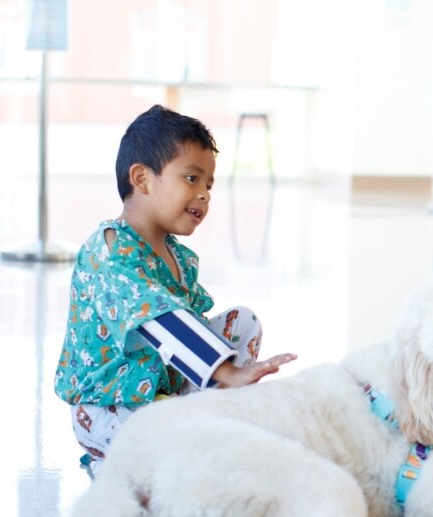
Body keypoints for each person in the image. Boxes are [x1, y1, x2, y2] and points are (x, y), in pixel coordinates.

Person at [54, 105, 296, 476]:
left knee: (243, 321)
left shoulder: (180, 258)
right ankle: (127, 464)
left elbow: (189, 329)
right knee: (181, 457)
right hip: (109, 407)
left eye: (209, 185)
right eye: (191, 179)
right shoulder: (110, 248)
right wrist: (227, 374)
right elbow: (158, 317)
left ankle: (197, 428)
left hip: (162, 396)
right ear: (142, 179)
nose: (204, 195)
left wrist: (223, 377)